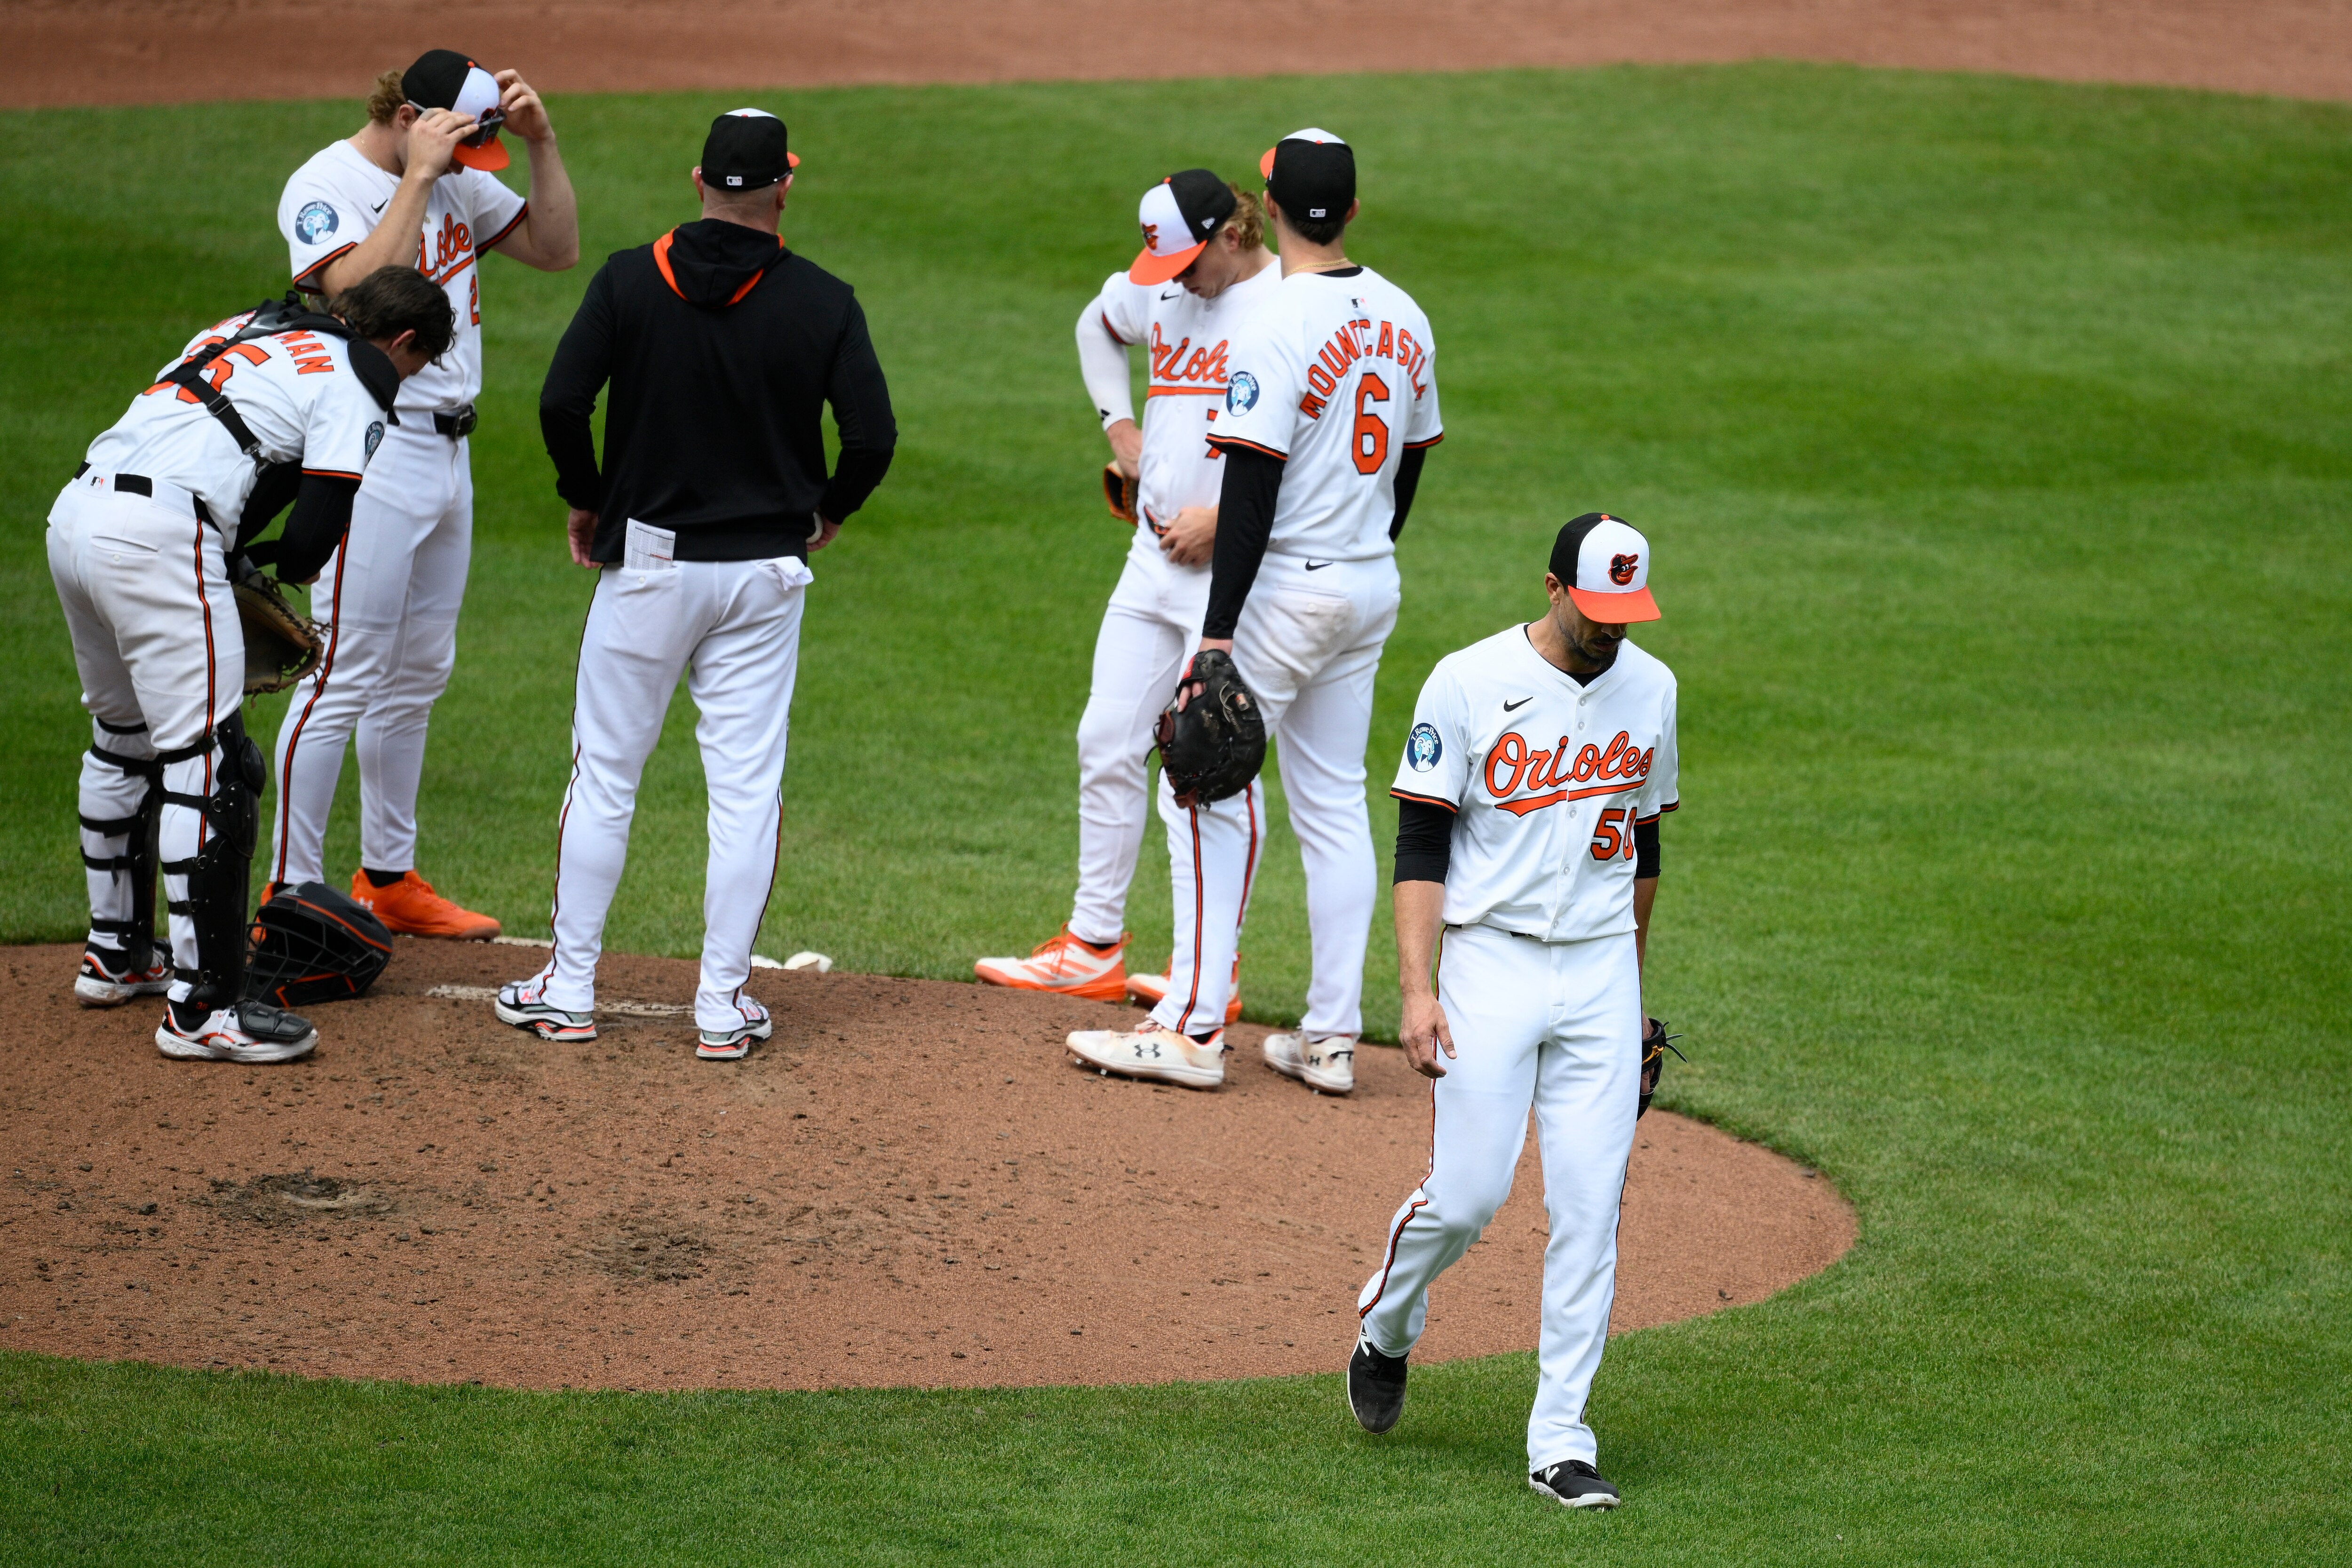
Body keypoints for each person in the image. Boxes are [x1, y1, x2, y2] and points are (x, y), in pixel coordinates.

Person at [503, 108, 896, 1059]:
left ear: (698, 181)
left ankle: (568, 986)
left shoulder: (631, 279)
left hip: (645, 565)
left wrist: (586, 498)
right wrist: (828, 509)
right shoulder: (824, 299)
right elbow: (872, 437)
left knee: (605, 774)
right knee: (746, 789)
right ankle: (721, 1006)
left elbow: (562, 403)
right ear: (783, 187)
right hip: (764, 571)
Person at [1066, 129, 1440, 1095]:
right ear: (1351, 209)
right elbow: (1412, 461)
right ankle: (1327, 1036)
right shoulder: (1405, 314)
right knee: (1330, 803)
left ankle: (1190, 1025)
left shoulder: (1274, 323)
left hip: (1285, 585)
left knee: (1194, 773)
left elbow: (1253, 487)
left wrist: (1219, 635)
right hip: (1367, 584)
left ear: (1266, 206)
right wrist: (1365, 545)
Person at [1348, 513, 1678, 1510]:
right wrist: (1415, 987)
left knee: (1590, 1206)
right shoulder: (1464, 679)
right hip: (1487, 963)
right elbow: (1419, 841)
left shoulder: (1653, 689)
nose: (1611, 630)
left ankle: (1559, 1439)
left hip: (1596, 973)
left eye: (1626, 613)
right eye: (1595, 610)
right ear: (1551, 586)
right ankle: (1387, 1326)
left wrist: (1631, 984)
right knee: (1467, 1195)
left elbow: (1645, 847)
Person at [47, 268, 452, 1061]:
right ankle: (205, 1009)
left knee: (121, 736)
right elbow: (310, 541)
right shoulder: (360, 375)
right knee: (215, 765)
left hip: (76, 515)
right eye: (419, 364)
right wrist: (259, 567)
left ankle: (116, 955)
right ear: (403, 342)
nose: (409, 380)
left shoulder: (251, 326)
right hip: (159, 536)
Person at [266, 49, 579, 938]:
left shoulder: (454, 181)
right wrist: (424, 179)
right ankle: (287, 889)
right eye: (452, 144)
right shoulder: (324, 183)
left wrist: (543, 142)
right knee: (340, 671)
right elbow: (355, 292)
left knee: (418, 674)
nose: (466, 168)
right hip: (368, 447)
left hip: (450, 455)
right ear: (409, 118)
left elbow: (557, 250)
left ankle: (388, 878)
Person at [972, 168, 1278, 1016]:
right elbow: (1095, 324)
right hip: (1148, 564)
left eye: (1187, 261)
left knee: (1205, 763)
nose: (1175, 281)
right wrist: (1120, 424)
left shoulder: (1287, 307)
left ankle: (1207, 968)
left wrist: (1223, 517)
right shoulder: (1165, 294)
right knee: (1105, 737)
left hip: (1234, 578)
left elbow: (1319, 449)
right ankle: (1093, 944)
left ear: (1233, 233)